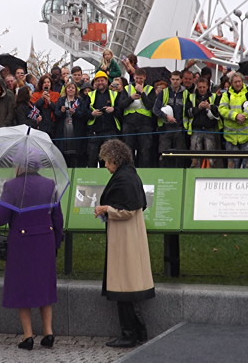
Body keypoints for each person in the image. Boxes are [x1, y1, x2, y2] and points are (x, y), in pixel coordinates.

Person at [0, 161, 64, 351]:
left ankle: (27, 336)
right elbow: (57, 217)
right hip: (45, 241)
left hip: (22, 243)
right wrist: (56, 242)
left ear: (19, 166)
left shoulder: (12, 186)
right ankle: (48, 332)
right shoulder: (50, 185)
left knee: (22, 287)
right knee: (44, 286)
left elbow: (0, 219)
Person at [94, 139, 154, 348]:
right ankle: (139, 331)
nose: (106, 167)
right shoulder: (131, 174)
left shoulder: (123, 179)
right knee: (130, 286)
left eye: (106, 162)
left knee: (123, 286)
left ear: (113, 160)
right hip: (131, 236)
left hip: (124, 238)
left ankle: (128, 334)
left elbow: (126, 210)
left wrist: (104, 209)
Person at [219, 72, 248, 168]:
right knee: (232, 167)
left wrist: (244, 115)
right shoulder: (226, 95)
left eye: (239, 81)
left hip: (247, 136)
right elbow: (222, 109)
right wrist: (235, 116)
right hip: (231, 137)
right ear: (231, 83)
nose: (238, 84)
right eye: (235, 82)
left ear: (242, 81)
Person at [118, 68, 157, 168]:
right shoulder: (127, 89)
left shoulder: (150, 89)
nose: (139, 80)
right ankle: (129, 170)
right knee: (128, 149)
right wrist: (131, 98)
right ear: (134, 78)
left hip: (145, 124)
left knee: (144, 150)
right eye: (137, 78)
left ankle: (144, 171)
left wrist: (142, 93)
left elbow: (150, 106)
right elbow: (121, 105)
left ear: (145, 78)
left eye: (141, 78)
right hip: (129, 123)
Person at [152, 71, 190, 168]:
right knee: (164, 154)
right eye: (173, 79)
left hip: (179, 128)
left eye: (177, 79)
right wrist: (166, 116)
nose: (175, 82)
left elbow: (189, 111)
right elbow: (155, 109)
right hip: (165, 128)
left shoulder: (186, 93)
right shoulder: (164, 93)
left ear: (181, 80)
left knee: (180, 155)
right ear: (170, 80)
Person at [86, 70, 121, 167]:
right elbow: (83, 112)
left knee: (109, 159)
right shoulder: (90, 95)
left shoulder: (114, 94)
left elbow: (120, 110)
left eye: (102, 80)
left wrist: (113, 109)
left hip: (110, 131)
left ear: (106, 81)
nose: (100, 83)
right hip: (94, 132)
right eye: (98, 81)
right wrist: (92, 113)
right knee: (92, 159)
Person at [185, 78, 221, 168]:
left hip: (210, 130)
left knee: (211, 159)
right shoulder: (191, 97)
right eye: (200, 87)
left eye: (204, 87)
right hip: (196, 130)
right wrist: (199, 107)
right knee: (194, 158)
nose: (202, 89)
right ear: (197, 87)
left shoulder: (214, 97)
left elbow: (219, 112)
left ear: (207, 87)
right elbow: (187, 112)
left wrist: (210, 107)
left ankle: (210, 177)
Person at [54, 80, 91, 167]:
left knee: (76, 157)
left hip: (76, 130)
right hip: (63, 131)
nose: (70, 90)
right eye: (69, 88)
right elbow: (56, 114)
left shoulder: (80, 100)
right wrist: (62, 111)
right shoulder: (61, 100)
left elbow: (84, 114)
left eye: (72, 88)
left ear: (75, 90)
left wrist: (75, 112)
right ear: (66, 89)